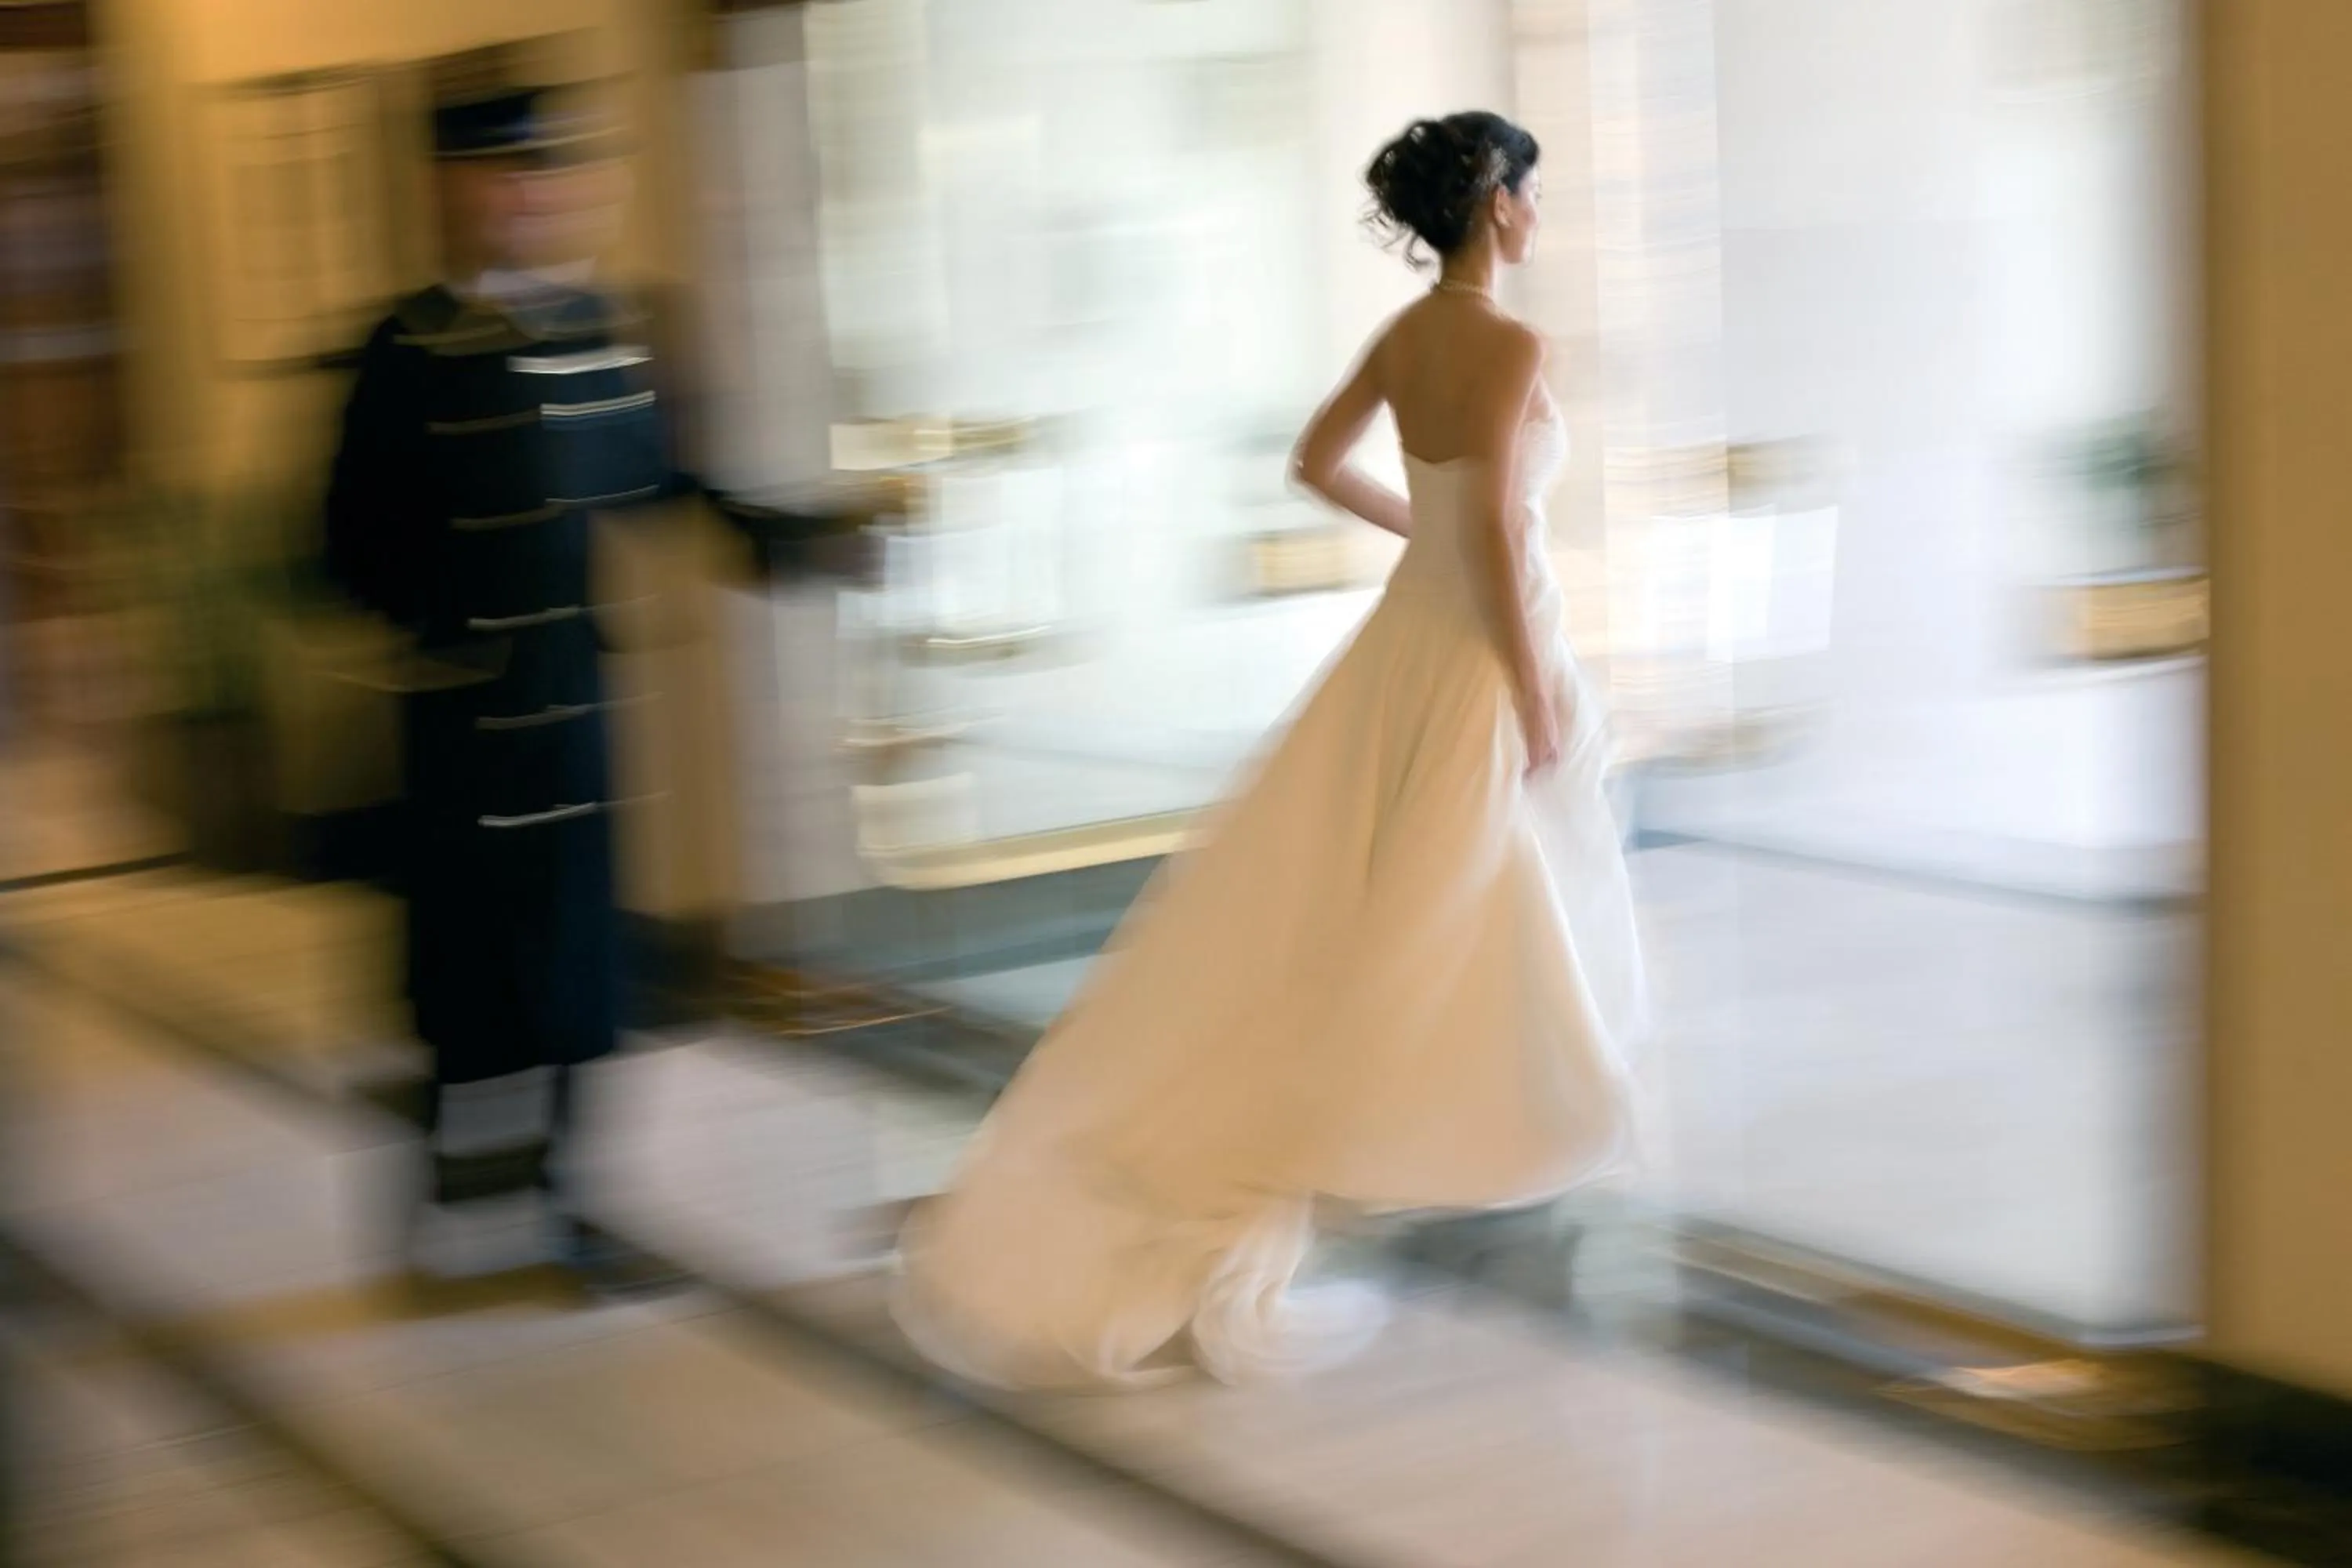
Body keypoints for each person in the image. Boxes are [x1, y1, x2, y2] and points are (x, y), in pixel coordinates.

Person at [892, 111, 1650, 1388]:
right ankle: (1445, 1112)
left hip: (1405, 634)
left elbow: (1314, 464)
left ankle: (1371, 1111)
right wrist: (1533, 691)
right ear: (1494, 204)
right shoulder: (1517, 343)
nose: (1535, 210)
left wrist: (1422, 525)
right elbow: (1510, 549)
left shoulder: (1405, 338)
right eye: (1528, 190)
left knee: (1372, 895)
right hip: (1471, 643)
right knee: (1453, 893)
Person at [323, 85, 854, 1290]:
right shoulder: (402, 347)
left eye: (543, 177)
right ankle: (440, 1201)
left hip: (570, 694)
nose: (525, 198)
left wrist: (779, 536)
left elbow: (656, 479)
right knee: (464, 962)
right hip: (455, 706)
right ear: (448, 189)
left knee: (576, 958)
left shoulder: (598, 327)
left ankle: (565, 1197)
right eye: (499, 177)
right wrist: (423, 625)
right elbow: (339, 535)